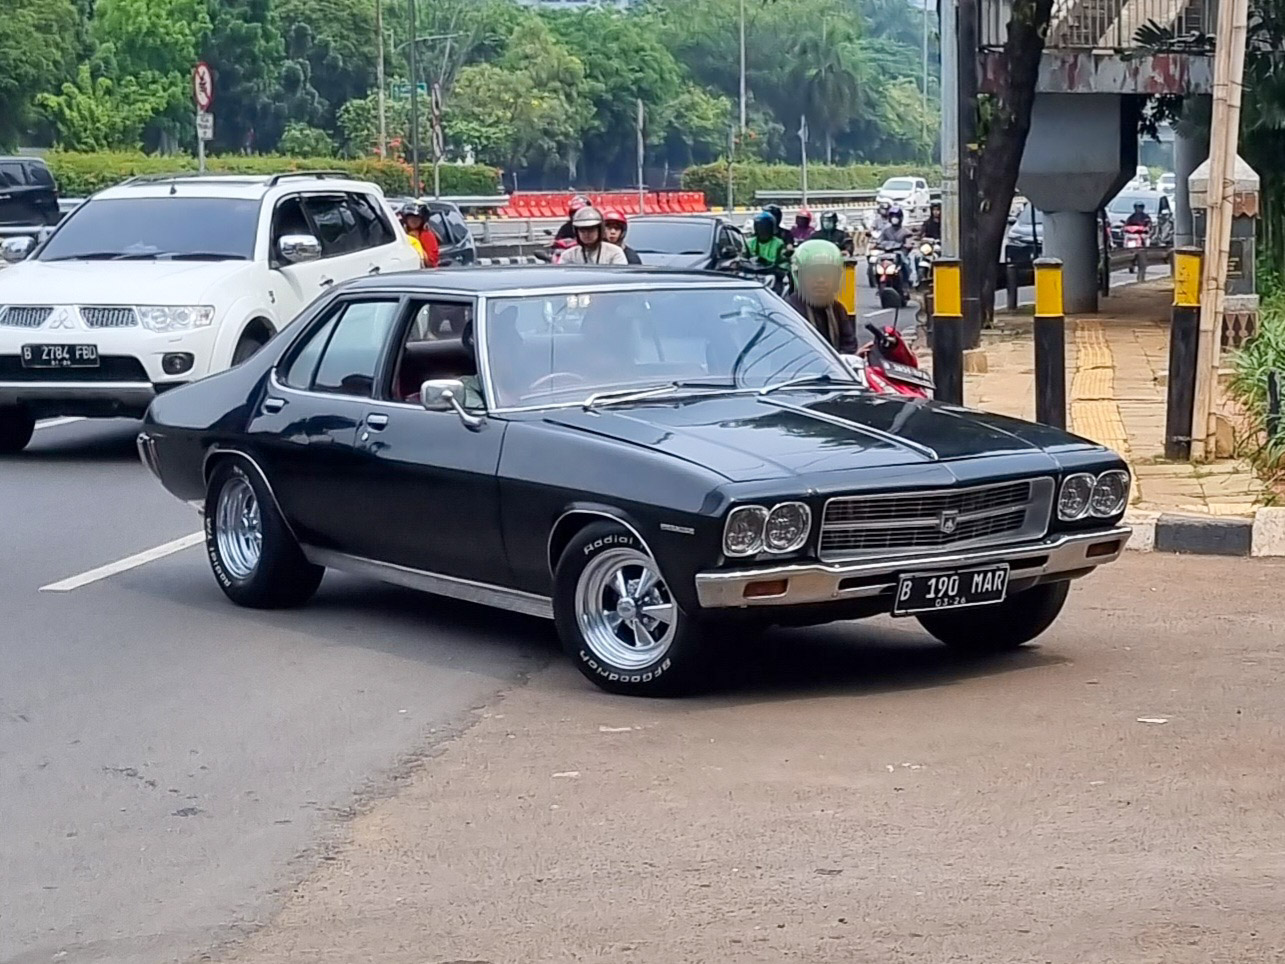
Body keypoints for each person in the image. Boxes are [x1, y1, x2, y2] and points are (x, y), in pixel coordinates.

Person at [786, 239, 856, 354]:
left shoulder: (838, 309)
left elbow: (849, 346)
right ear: (799, 276)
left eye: (827, 274)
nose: (820, 280)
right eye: (813, 274)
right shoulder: (789, 311)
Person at [556, 206, 629, 265]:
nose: (587, 234)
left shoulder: (615, 252)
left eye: (591, 230)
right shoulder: (568, 255)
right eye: (582, 230)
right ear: (576, 232)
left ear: (599, 230)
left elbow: (619, 278)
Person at [876, 205, 916, 286]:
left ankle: (906, 283)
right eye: (892, 216)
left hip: (900, 254)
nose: (894, 218)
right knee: (877, 263)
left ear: (900, 218)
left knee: (906, 263)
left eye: (896, 216)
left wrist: (907, 245)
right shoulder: (886, 231)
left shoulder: (906, 232)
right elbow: (879, 241)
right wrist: (876, 244)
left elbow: (909, 242)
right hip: (887, 254)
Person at [399, 201, 440, 267]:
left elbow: (431, 263)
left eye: (417, 217)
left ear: (423, 219)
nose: (413, 220)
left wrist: (417, 243)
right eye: (410, 217)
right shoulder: (400, 234)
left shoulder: (427, 235)